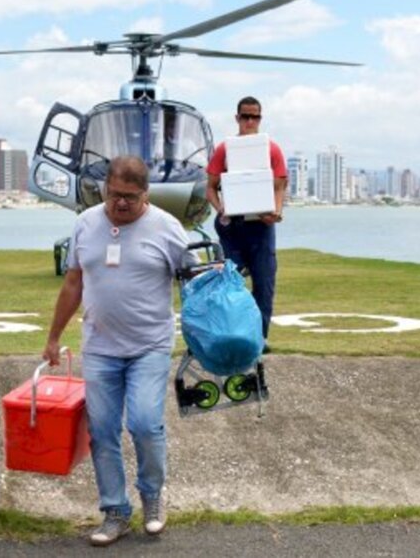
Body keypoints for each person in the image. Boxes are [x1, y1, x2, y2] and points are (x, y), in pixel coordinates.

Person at [42, 155, 196, 547]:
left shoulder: (166, 228)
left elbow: (194, 280)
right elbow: (73, 283)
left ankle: (152, 497)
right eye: (114, 195)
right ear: (104, 189)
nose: (120, 204)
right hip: (99, 347)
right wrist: (54, 336)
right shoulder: (86, 223)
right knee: (102, 431)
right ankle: (115, 511)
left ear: (145, 194)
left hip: (149, 345)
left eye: (130, 196)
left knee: (145, 424)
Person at [205, 96, 287, 351]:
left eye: (255, 117)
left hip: (261, 226)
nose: (250, 121)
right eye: (245, 116)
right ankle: (231, 334)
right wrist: (221, 210)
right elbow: (210, 187)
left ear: (260, 119)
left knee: (264, 283)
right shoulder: (224, 150)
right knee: (230, 282)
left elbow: (280, 186)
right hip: (233, 227)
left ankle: (259, 338)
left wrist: (275, 211)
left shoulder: (271, 149)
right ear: (237, 118)